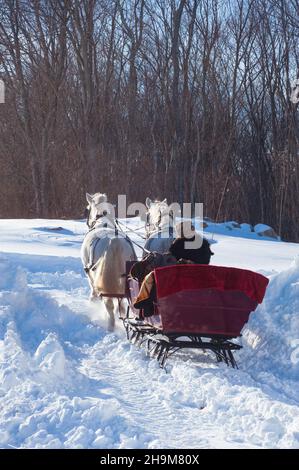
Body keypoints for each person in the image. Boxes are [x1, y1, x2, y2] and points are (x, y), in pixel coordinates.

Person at [131, 223, 214, 317]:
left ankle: (146, 301)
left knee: (153, 276)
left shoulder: (179, 243)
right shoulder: (204, 243)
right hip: (200, 276)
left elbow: (169, 258)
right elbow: (206, 261)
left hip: (181, 277)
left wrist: (154, 257)